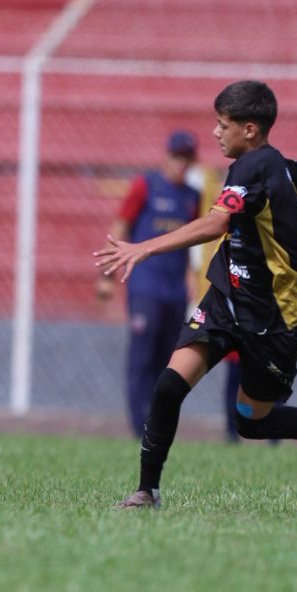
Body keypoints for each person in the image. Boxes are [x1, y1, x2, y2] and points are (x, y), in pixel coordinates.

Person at [95, 80, 297, 509]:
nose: (215, 133)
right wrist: (292, 232)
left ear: (249, 130)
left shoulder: (252, 167)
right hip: (226, 299)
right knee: (168, 386)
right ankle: (146, 492)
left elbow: (217, 224)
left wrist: (143, 248)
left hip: (274, 317)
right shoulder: (288, 169)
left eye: (223, 124)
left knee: (251, 422)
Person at [97, 130, 200, 437]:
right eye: (176, 157)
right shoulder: (146, 186)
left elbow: (190, 242)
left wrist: (191, 277)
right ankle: (137, 425)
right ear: (166, 156)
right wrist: (107, 276)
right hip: (146, 287)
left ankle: (156, 423)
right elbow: (120, 226)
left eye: (186, 158)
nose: (180, 164)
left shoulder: (192, 197)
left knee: (167, 360)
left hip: (174, 291)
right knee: (142, 356)